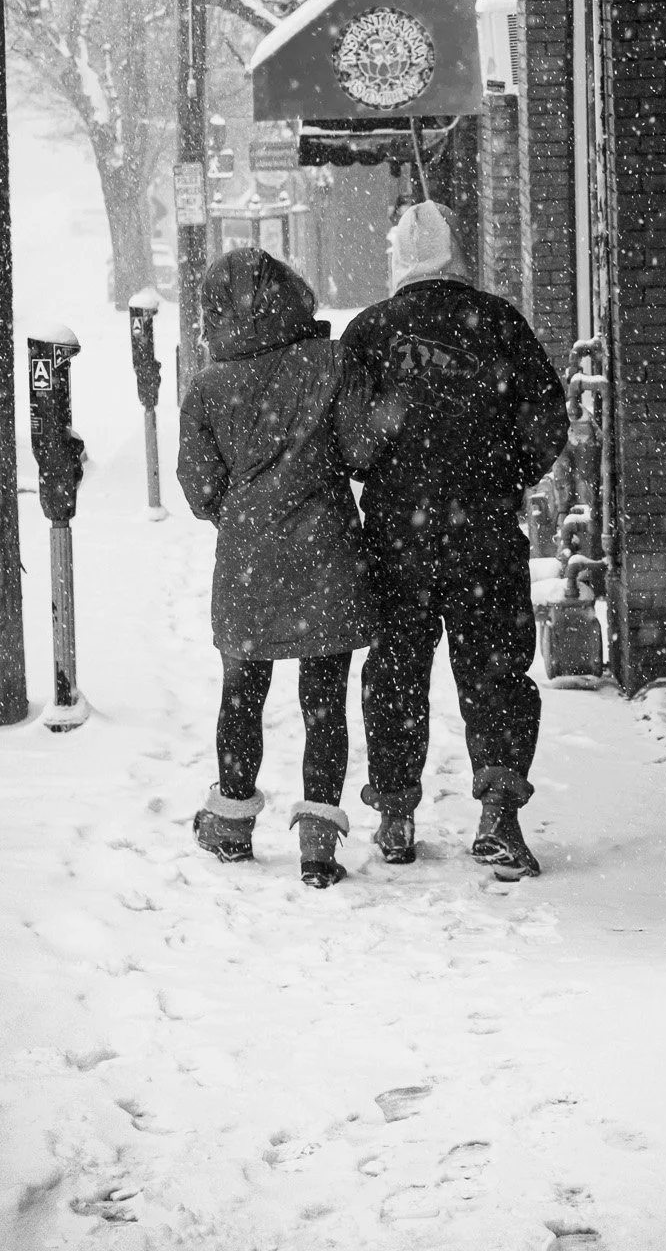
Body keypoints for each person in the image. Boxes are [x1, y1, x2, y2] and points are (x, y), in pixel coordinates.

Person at [342, 200, 569, 879]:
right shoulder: (498, 323)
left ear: (400, 259)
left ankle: (394, 815)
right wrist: (503, 474)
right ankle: (499, 812)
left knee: (395, 672)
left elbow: (350, 441)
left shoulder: (370, 332)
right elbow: (545, 417)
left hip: (395, 537)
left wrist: (387, 460)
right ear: (457, 252)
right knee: (496, 669)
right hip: (484, 532)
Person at [177, 246, 390, 889]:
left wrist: (244, 517)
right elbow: (360, 450)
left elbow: (199, 486)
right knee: (323, 701)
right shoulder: (329, 363)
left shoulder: (210, 387)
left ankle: (232, 824)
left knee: (242, 695)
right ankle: (319, 845)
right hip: (326, 555)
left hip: (247, 563)